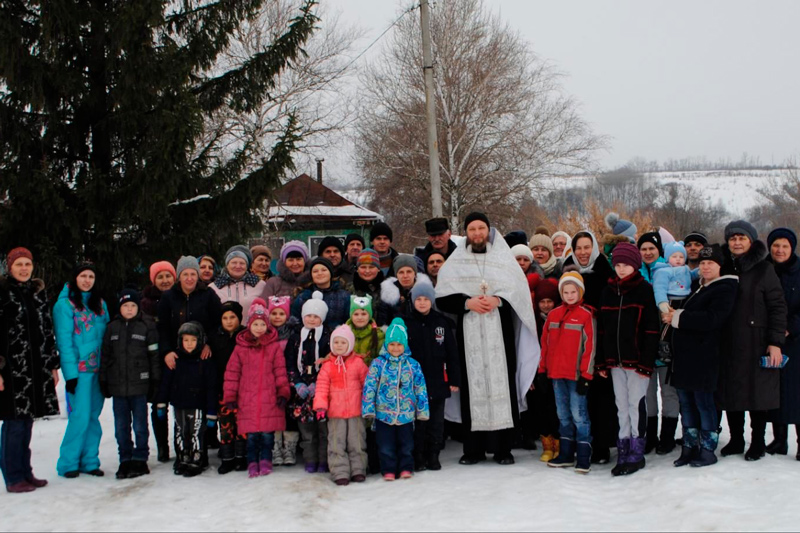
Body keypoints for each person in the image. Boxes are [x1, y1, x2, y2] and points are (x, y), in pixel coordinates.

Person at [436, 212, 539, 466]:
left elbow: (518, 293)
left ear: (489, 230)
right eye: (472, 229)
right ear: (466, 233)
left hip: (500, 333)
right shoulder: (455, 261)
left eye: (482, 228)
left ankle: (504, 449)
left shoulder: (502, 260)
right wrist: (467, 302)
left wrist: (499, 300)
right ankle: (474, 450)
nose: (477, 233)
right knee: (474, 387)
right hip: (468, 333)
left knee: (502, 384)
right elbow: (442, 298)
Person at [718, 220, 787, 461]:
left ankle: (757, 440)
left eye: (742, 238)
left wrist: (775, 341)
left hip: (756, 339)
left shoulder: (764, 269)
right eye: (733, 238)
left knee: (757, 393)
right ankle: (736, 439)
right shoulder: (723, 266)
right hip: (727, 341)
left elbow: (778, 306)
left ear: (751, 241)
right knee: (730, 392)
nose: (737, 242)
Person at [667, 244, 738, 467]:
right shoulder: (698, 287)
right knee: (686, 403)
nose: (705, 267)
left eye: (711, 263)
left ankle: (708, 449)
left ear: (720, 266)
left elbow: (712, 319)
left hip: (705, 357)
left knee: (704, 404)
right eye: (702, 263)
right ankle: (690, 446)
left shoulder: (725, 288)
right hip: (686, 358)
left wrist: (678, 317)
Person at [596, 242, 659, 477]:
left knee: (636, 404)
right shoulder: (608, 291)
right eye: (618, 265)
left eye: (626, 265)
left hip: (637, 362)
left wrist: (646, 362)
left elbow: (651, 330)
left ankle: (637, 449)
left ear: (635, 266)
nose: (621, 269)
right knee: (621, 405)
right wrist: (602, 361)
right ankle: (623, 447)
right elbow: (602, 328)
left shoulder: (644, 290)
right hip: (614, 362)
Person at [0, 248, 60, 493]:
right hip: (12, 370)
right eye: (19, 264)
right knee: (13, 424)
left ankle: (26, 472)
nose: (24, 268)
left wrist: (52, 366)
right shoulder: (3, 292)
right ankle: (13, 477)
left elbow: (46, 330)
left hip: (35, 369)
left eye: (27, 264)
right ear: (10, 267)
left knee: (26, 423)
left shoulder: (36, 293)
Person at [157, 255, 221, 462]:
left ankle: (203, 443)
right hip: (177, 355)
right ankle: (180, 447)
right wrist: (167, 351)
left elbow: (216, 323)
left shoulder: (208, 295)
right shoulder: (169, 297)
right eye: (186, 274)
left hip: (201, 353)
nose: (190, 278)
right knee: (179, 398)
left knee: (204, 395)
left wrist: (209, 343)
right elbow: (163, 327)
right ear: (179, 276)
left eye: (193, 274)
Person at [561, 230, 616, 463]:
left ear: (594, 248)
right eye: (578, 248)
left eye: (586, 247)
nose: (583, 253)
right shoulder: (567, 271)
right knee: (577, 397)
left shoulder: (606, 272)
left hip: (599, 342)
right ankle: (580, 443)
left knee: (600, 396)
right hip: (574, 344)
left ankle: (602, 445)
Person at [54, 262, 110, 478]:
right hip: (80, 371)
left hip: (98, 369)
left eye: (91, 276)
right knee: (80, 416)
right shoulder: (65, 306)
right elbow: (64, 343)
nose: (87, 280)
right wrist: (71, 375)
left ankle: (89, 460)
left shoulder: (100, 304)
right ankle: (68, 463)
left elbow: (106, 337)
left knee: (94, 417)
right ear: (75, 278)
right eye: (83, 276)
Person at [223, 299, 290, 478]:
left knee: (268, 436)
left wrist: (283, 391)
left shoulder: (274, 347)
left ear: (267, 326)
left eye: (262, 324)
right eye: (256, 324)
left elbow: (280, 371)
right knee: (251, 436)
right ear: (249, 325)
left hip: (269, 399)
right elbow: (232, 374)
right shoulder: (240, 348)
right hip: (248, 399)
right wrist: (230, 396)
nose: (259, 328)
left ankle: (266, 460)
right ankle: (252, 461)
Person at [99, 289, 160, 480]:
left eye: (133, 305)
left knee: (141, 426)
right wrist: (104, 379)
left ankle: (140, 458)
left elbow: (154, 356)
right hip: (118, 388)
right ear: (119, 307)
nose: (129, 309)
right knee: (121, 427)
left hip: (140, 387)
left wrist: (155, 380)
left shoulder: (146, 327)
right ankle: (125, 458)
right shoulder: (112, 328)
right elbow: (106, 356)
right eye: (125, 306)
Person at [539, 272, 596, 473]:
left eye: (573, 291)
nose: (570, 295)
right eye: (566, 291)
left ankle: (583, 456)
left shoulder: (586, 315)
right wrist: (542, 370)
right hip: (556, 375)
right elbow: (545, 345)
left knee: (579, 415)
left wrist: (586, 375)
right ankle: (565, 453)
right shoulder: (553, 315)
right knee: (562, 415)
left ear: (580, 292)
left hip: (576, 376)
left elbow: (590, 347)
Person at [362, 318, 429, 481]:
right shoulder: (378, 364)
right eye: (392, 344)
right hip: (383, 414)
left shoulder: (413, 365)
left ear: (405, 345)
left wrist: (422, 410)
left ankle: (406, 467)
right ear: (386, 345)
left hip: (406, 414)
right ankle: (388, 469)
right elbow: (369, 387)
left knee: (406, 444)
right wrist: (368, 408)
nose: (395, 348)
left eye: (399, 344)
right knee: (385, 446)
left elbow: (420, 388)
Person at [405, 278, 460, 472]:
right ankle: (418, 457)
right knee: (419, 422)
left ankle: (434, 455)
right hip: (414, 383)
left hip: (438, 381)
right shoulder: (406, 322)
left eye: (425, 299)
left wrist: (454, 378)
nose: (422, 302)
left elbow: (452, 352)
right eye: (418, 299)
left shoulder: (441, 323)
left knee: (436, 422)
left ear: (431, 300)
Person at [649, 241, 696, 454]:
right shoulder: (662, 272)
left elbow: (698, 276)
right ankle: (649, 435)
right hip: (662, 320)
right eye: (674, 256)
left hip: (678, 332)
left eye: (680, 256)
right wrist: (662, 305)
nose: (677, 260)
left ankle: (667, 435)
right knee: (649, 394)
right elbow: (659, 290)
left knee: (669, 391)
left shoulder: (687, 271)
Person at [156, 321, 217, 477]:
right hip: (179, 404)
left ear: (200, 341)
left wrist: (211, 412)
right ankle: (183, 456)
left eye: (193, 340)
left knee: (196, 432)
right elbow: (165, 383)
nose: (189, 344)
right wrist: (161, 403)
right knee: (181, 431)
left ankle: (198, 457)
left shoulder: (205, 361)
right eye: (186, 340)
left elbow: (211, 387)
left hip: (198, 404)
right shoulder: (175, 359)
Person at [313, 324, 369, 485]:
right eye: (336, 342)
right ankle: (340, 471)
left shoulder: (358, 363)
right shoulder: (328, 365)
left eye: (343, 342)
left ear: (350, 344)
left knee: (357, 441)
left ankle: (358, 469)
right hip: (335, 412)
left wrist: (369, 404)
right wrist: (321, 405)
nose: (339, 346)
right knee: (336, 443)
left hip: (356, 410)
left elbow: (367, 384)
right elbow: (322, 386)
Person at [285, 292, 331, 473]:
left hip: (321, 392)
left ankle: (324, 460)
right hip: (301, 394)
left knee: (323, 430)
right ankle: (310, 459)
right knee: (307, 431)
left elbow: (330, 361)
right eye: (309, 316)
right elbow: (289, 362)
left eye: (316, 316)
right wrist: (296, 382)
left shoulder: (327, 337)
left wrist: (318, 384)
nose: (312, 320)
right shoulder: (296, 338)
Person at [765, 228, 800, 458]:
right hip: (769, 340)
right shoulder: (764, 270)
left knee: (796, 392)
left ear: (792, 248)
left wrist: (790, 327)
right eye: (776, 245)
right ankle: (779, 440)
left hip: (795, 340)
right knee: (774, 390)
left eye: (784, 246)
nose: (779, 250)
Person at [207, 301, 246, 474]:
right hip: (223, 389)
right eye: (225, 318)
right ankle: (227, 458)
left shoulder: (245, 335)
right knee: (225, 425)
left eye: (233, 317)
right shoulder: (215, 337)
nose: (229, 321)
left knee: (241, 425)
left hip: (243, 389)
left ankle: (241, 457)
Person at [531, 276, 562, 462]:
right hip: (539, 371)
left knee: (556, 409)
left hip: (557, 370)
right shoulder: (534, 322)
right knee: (541, 409)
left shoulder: (559, 318)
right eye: (542, 301)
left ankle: (559, 443)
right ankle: (547, 444)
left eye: (549, 301)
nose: (545, 305)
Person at [268, 296, 301, 468]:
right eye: (274, 313)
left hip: (289, 379)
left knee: (290, 414)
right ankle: (275, 446)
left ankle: (289, 447)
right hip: (270, 380)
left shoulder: (294, 335)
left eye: (281, 313)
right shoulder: (265, 334)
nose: (277, 317)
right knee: (274, 413)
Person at [212, 245, 267, 324]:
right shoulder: (214, 287)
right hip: (224, 334)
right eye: (234, 263)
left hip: (252, 333)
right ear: (227, 265)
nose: (238, 266)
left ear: (247, 266)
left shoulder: (260, 285)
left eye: (242, 263)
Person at [291, 257, 351, 329]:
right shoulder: (303, 296)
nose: (320, 273)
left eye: (324, 270)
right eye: (315, 271)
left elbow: (348, 321)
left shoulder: (344, 296)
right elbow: (295, 321)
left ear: (330, 273)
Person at [378, 254, 424, 324]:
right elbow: (382, 322)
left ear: (415, 273)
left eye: (409, 271)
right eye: (401, 272)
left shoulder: (425, 292)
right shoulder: (388, 296)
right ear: (396, 275)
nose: (405, 276)